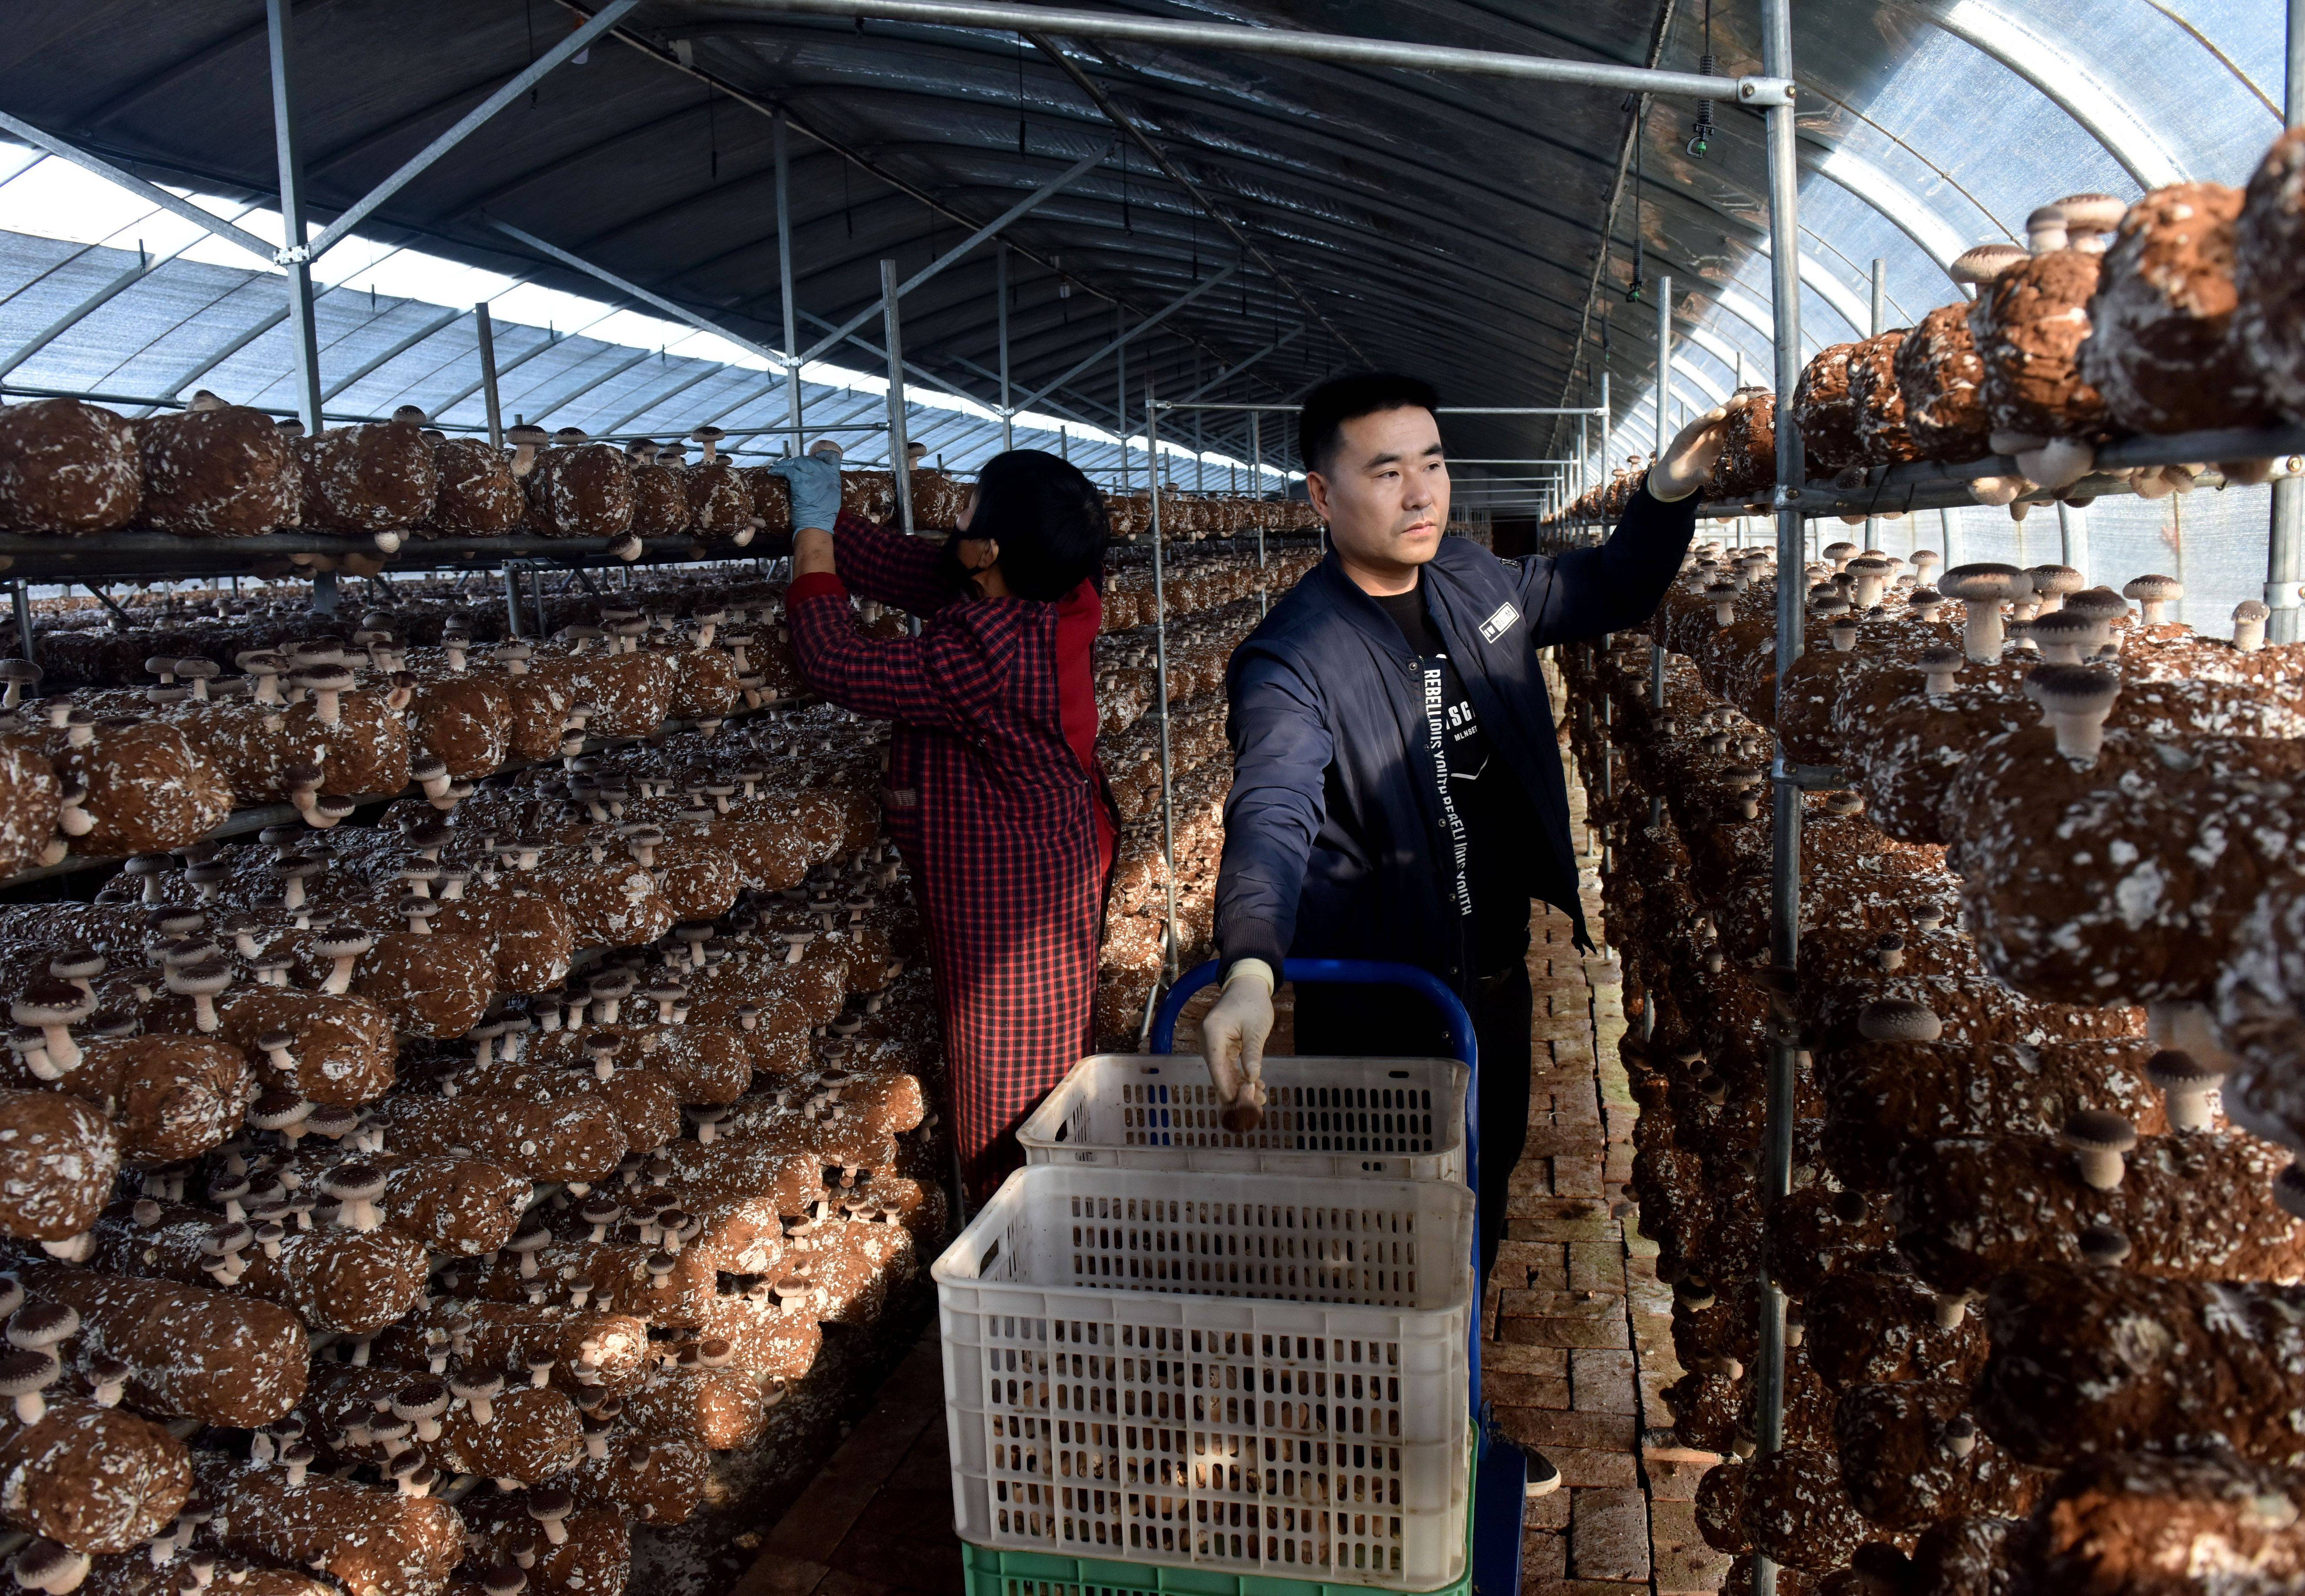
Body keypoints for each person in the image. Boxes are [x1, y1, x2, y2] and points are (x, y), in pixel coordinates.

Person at [1201, 371, 1725, 1276]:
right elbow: (1273, 806)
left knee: (1484, 1183)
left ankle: (1462, 1417)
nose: (1420, 493)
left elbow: (1609, 585)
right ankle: (1385, 1409)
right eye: (1387, 470)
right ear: (1323, 494)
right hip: (1387, 998)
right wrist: (1250, 963)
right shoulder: (1294, 655)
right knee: (1386, 1226)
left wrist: (1667, 490)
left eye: (1433, 463)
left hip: (1489, 973)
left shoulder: (1470, 577)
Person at [770, 443, 1117, 1202]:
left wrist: (810, 538)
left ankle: (1023, 1245)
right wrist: (831, 517)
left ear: (987, 551)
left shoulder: (987, 654)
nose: (952, 521)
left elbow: (837, 662)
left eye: (965, 510)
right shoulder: (1044, 591)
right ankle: (1054, 1220)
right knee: (1043, 1071)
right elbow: (917, 570)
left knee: (1010, 1084)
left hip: (1016, 911)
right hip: (1035, 866)